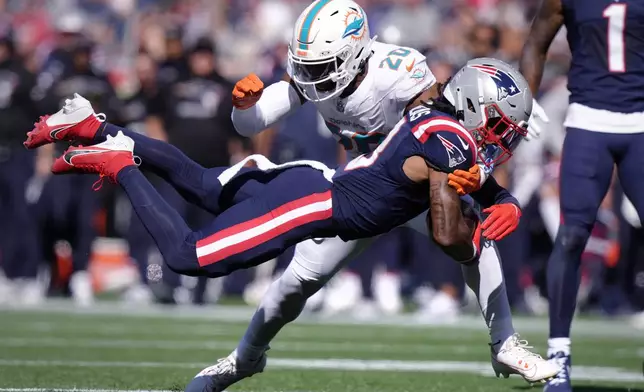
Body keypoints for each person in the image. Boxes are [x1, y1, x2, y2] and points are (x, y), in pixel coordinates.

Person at [25, 58, 558, 390]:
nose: (502, 136)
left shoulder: (432, 110)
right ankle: (119, 160)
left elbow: (448, 167)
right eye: (498, 124)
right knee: (189, 257)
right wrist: (480, 222)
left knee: (205, 186)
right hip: (318, 204)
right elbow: (448, 235)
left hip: (313, 182)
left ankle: (93, 122)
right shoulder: (451, 135)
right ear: (471, 105)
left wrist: (497, 195)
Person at [226, 0, 553, 387]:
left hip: (410, 187)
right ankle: (243, 358)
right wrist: (244, 108)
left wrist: (493, 182)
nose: (313, 76)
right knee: (295, 283)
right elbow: (251, 124)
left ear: (355, 52)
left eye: (323, 65)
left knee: (474, 235)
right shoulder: (318, 67)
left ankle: (505, 343)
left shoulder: (400, 72)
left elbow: (445, 138)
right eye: (309, 65)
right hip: (359, 190)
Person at [519, 0, 644, 390]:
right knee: (572, 235)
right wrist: (523, 104)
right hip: (588, 120)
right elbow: (535, 42)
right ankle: (559, 352)